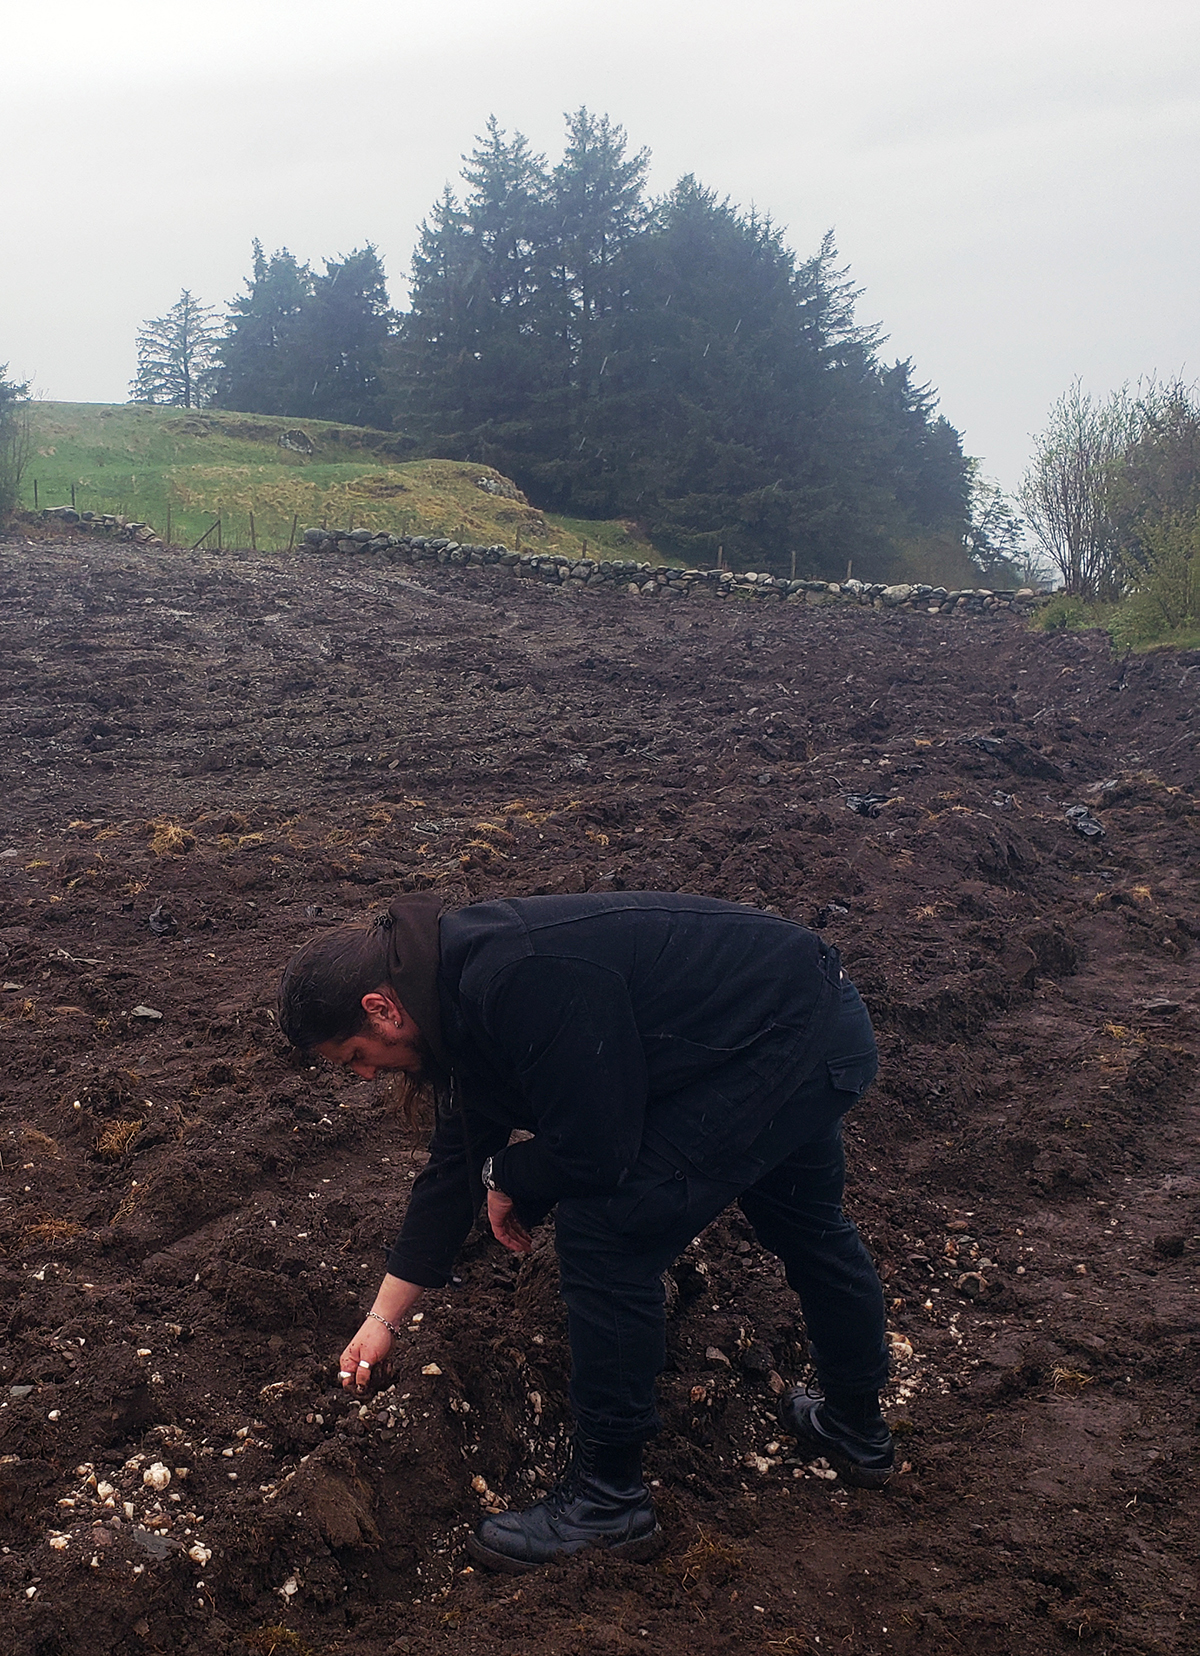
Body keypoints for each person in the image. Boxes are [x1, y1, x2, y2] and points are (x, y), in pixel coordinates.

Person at [278, 890, 893, 1573]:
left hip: (786, 1037)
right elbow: (453, 1169)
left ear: (379, 1007)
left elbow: (599, 1152)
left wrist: (509, 1173)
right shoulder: (449, 995)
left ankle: (608, 1502)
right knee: (808, 1226)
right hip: (793, 1019)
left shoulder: (514, 978)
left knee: (606, 1234)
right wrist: (381, 1321)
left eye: (355, 1057)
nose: (365, 1075)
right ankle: (854, 1427)